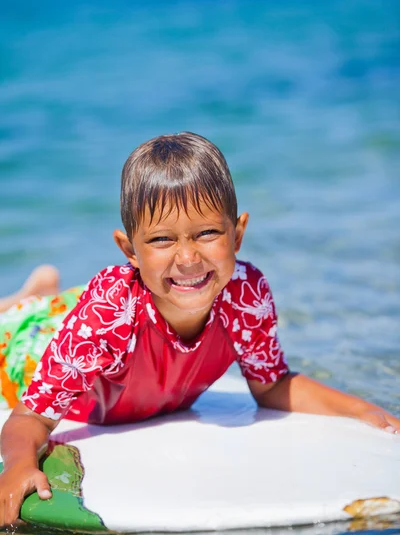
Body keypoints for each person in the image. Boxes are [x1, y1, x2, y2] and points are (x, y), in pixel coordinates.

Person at [0, 132, 398, 528]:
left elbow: (273, 385)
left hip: (91, 317)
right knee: (16, 328)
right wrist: (18, 465)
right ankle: (30, 297)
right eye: (161, 239)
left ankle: (44, 293)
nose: (188, 258)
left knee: (59, 310)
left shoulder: (245, 291)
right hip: (36, 350)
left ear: (237, 234)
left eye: (207, 233)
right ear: (129, 250)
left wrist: (364, 411)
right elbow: (29, 418)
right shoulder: (110, 309)